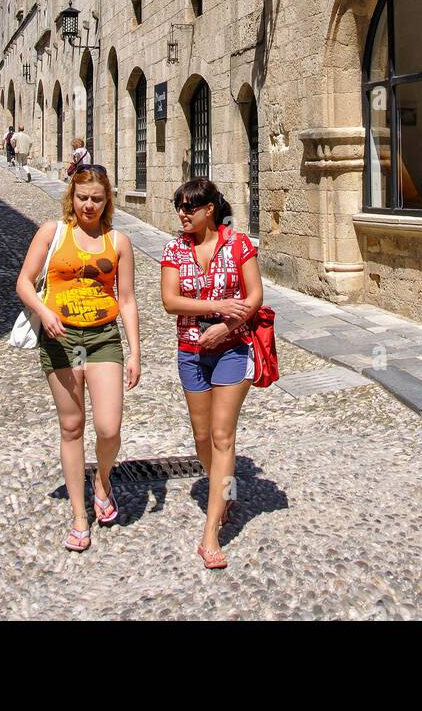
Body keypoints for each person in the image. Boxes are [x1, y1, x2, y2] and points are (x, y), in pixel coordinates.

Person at [15, 163, 140, 552]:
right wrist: (45, 310)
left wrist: (135, 350)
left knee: (108, 428)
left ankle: (102, 482)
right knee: (71, 427)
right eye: (82, 198)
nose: (89, 205)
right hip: (61, 339)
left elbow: (127, 299)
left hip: (104, 337)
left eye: (97, 200)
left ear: (107, 202)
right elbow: (23, 281)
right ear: (72, 197)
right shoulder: (52, 233)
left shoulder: (118, 241)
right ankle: (79, 516)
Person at [161, 176, 263, 570]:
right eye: (179, 207)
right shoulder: (174, 248)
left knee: (223, 436)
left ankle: (210, 535)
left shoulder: (238, 245)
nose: (182, 214)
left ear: (209, 210)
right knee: (202, 437)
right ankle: (226, 486)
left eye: (190, 207)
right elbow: (170, 301)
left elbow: (254, 296)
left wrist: (226, 326)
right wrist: (217, 307)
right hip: (190, 353)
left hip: (233, 350)